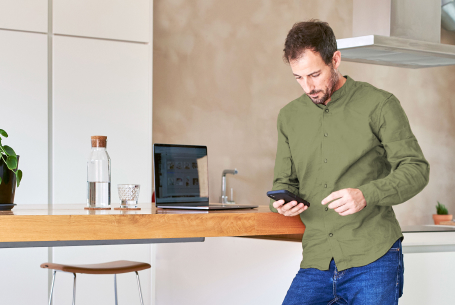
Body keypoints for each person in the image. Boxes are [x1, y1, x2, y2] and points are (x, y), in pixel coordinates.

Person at [270, 20, 430, 305]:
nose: (308, 86)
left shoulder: (380, 104)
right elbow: (284, 181)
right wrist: (284, 201)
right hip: (317, 259)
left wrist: (365, 195)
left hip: (374, 257)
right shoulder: (289, 117)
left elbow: (415, 169)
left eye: (315, 74)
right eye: (298, 77)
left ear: (336, 59)